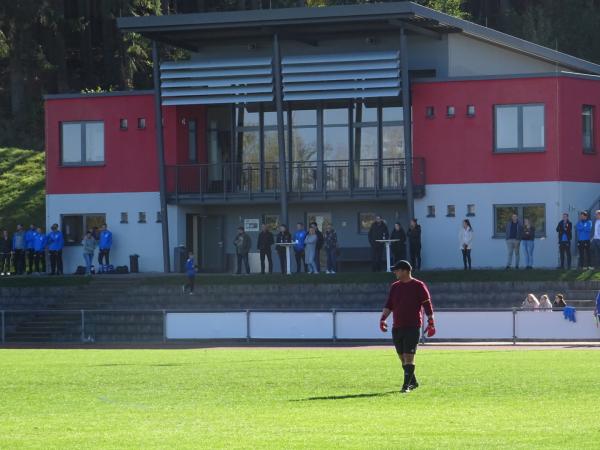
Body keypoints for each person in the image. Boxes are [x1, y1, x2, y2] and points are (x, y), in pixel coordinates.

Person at [379, 260, 435, 393]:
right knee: (402, 357)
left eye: (397, 270)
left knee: (409, 356)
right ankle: (413, 381)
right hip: (397, 326)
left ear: (405, 271)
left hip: (412, 326)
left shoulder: (419, 285)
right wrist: (382, 319)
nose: (394, 272)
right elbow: (389, 305)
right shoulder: (395, 287)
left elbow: (427, 305)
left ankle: (406, 386)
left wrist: (431, 321)